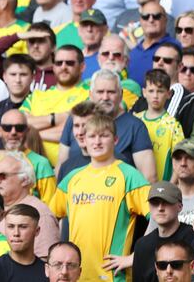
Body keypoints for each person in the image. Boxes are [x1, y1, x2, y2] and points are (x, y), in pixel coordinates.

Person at [51, 113, 150, 281]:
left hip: (112, 276)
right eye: (92, 136)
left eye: (104, 136)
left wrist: (134, 257)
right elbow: (50, 216)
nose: (97, 142)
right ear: (83, 140)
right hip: (74, 276)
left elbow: (158, 217)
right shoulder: (72, 178)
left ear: (115, 140)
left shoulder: (129, 175)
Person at [133, 181, 194, 282]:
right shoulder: (142, 246)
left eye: (166, 202)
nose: (160, 208)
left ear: (180, 206)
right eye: (155, 203)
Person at [0, 203, 48, 281]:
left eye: (23, 227)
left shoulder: (47, 271)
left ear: (36, 231)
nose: (16, 233)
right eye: (11, 226)